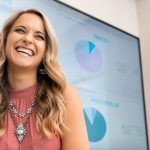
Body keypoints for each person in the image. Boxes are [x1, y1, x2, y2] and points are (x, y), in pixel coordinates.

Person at [0, 9, 89, 150]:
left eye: (39, 37)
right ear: (5, 39)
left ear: (45, 51)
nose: (28, 39)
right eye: (20, 30)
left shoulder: (64, 96)